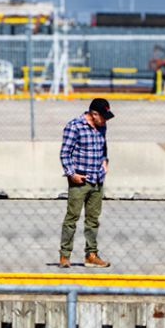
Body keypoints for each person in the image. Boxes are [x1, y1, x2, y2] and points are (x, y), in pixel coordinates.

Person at [58, 97, 113, 268]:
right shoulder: (74, 126)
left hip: (97, 180)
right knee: (72, 218)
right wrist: (71, 174)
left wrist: (105, 161)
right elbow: (65, 153)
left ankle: (91, 255)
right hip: (80, 180)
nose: (105, 120)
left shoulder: (102, 126)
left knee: (93, 220)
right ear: (93, 114)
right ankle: (65, 256)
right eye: (102, 116)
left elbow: (103, 148)